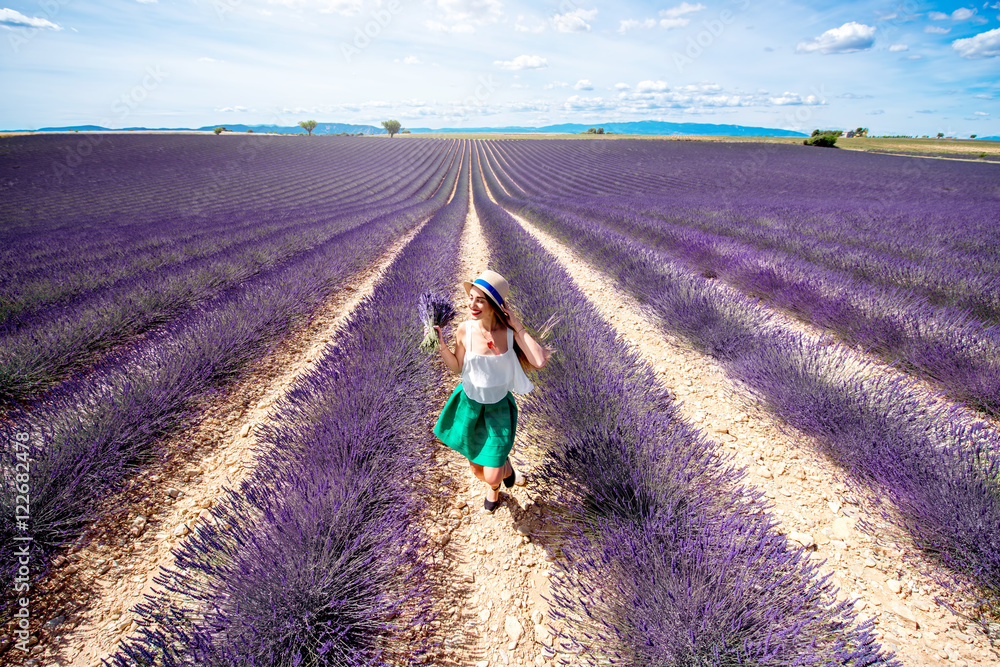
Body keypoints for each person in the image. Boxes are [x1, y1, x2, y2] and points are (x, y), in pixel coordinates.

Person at [431, 270, 548, 513]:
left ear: (495, 305)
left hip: (497, 411)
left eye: (480, 300)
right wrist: (441, 346)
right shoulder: (465, 330)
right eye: (471, 297)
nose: (471, 305)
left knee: (493, 476)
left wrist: (517, 325)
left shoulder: (508, 333)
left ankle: (496, 485)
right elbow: (457, 368)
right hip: (470, 407)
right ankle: (505, 469)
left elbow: (538, 361)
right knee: (477, 470)